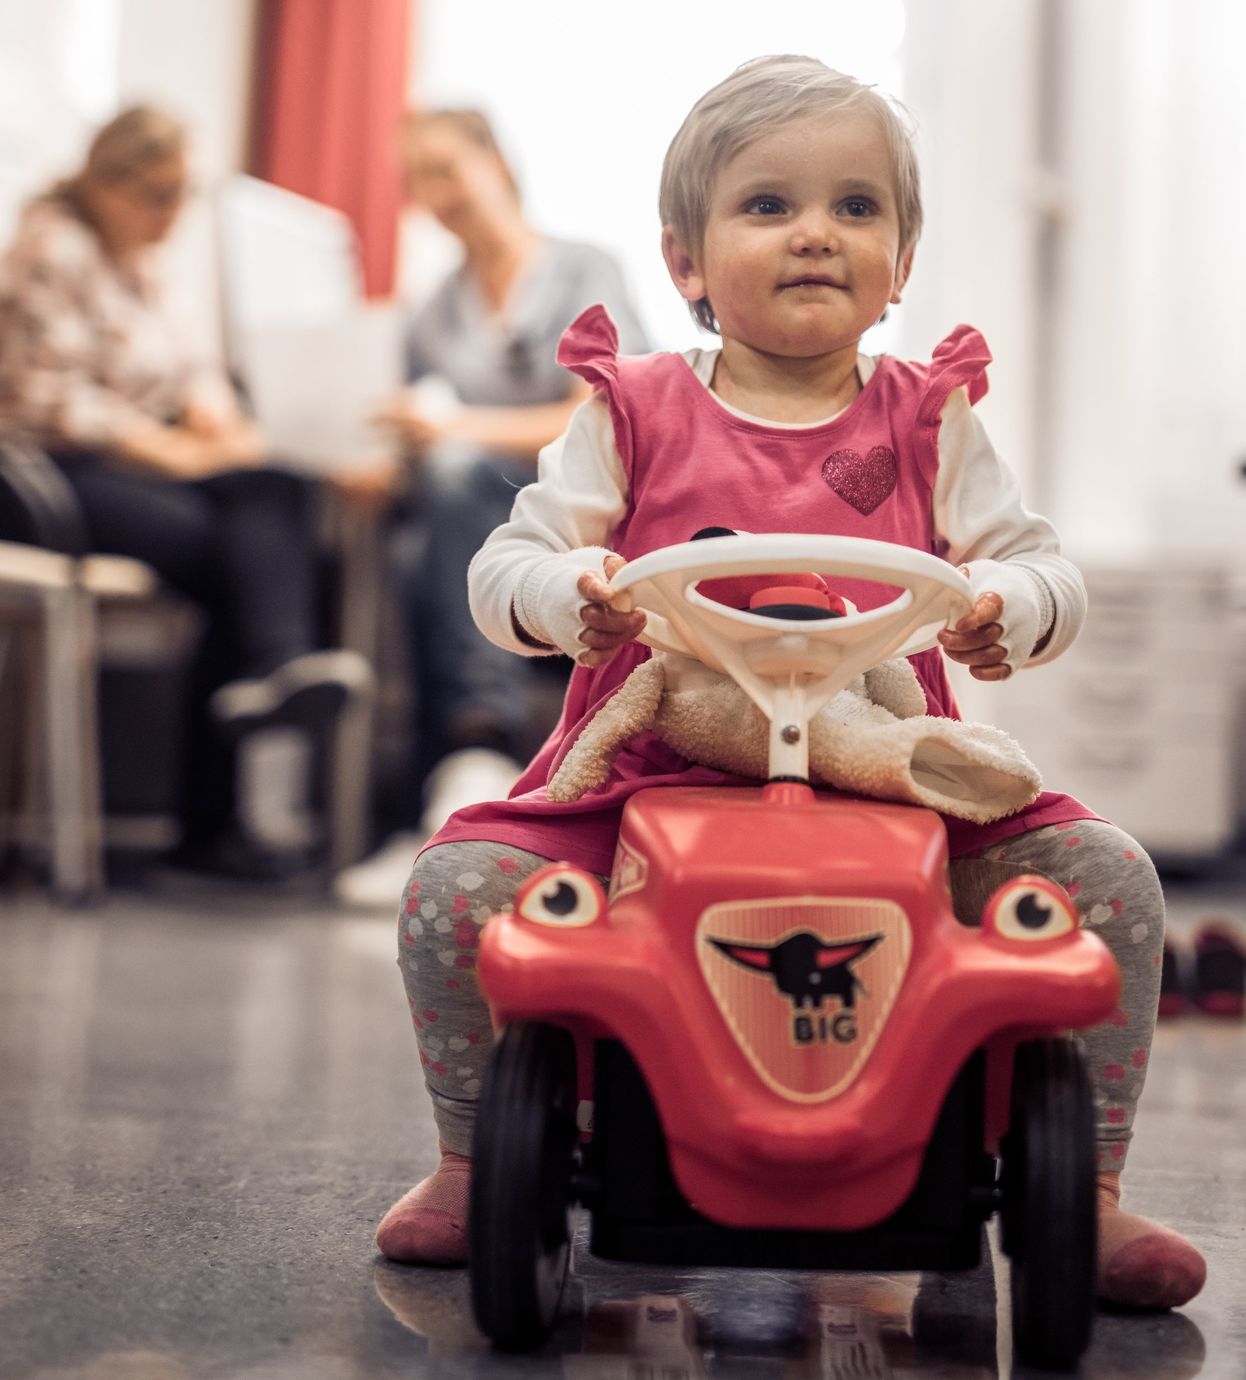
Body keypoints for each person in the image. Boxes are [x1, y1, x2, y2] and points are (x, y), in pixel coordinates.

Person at [374, 58, 1206, 1310]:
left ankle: (1081, 1187)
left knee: (1111, 888)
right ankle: (469, 1154)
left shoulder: (929, 421)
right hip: (653, 766)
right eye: (768, 205)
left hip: (896, 777)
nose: (816, 230)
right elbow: (508, 561)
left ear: (901, 259)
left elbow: (1039, 563)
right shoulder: (634, 410)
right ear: (687, 262)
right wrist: (571, 591)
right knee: (453, 895)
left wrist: (1007, 611)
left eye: (857, 208)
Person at [0, 106, 370, 872]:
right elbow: (53, 399)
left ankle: (272, 680)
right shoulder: (52, 245)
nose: (171, 213)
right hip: (53, 474)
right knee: (237, 546)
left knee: (276, 492)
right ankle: (234, 773)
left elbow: (189, 361)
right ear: (106, 181)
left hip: (135, 463)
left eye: (183, 194)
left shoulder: (143, 257)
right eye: (158, 194)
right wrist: (176, 451)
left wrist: (218, 416)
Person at [336, 109, 649, 905]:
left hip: (581, 513)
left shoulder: (584, 271)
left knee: (459, 477)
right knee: (421, 521)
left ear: (497, 162)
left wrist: (458, 432)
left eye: (447, 168)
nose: (436, 194)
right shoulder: (432, 313)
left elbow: (609, 414)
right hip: (465, 529)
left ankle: (476, 751)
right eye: (419, 181)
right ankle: (446, 784)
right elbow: (428, 444)